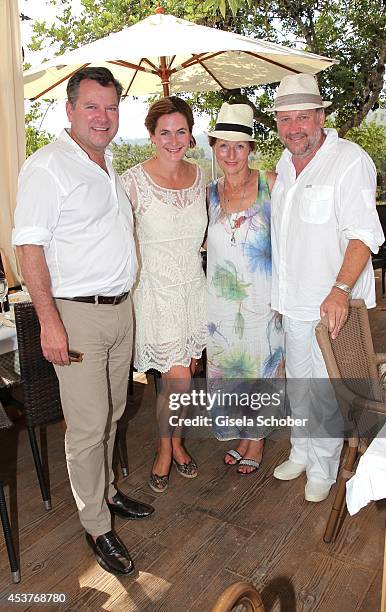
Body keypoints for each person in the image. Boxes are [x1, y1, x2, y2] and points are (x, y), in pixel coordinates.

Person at [13, 67, 154, 576]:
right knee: (89, 426)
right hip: (76, 316)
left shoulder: (105, 165)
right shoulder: (48, 166)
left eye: (111, 107)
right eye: (92, 106)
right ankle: (96, 524)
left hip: (120, 310)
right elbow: (28, 247)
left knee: (115, 411)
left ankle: (109, 494)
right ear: (69, 109)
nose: (103, 116)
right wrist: (50, 322)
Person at [269, 73, 384, 501]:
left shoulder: (348, 159)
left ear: (321, 116)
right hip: (293, 300)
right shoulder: (283, 164)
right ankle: (302, 451)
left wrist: (339, 289)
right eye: (285, 119)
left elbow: (364, 234)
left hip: (332, 302)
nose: (294, 128)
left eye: (303, 117)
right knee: (298, 383)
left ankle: (323, 467)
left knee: (326, 389)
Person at [121, 97, 207, 493]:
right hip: (156, 293)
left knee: (184, 376)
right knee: (177, 380)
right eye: (165, 132)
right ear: (151, 136)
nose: (174, 139)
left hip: (194, 291)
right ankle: (165, 449)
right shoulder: (131, 183)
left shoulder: (203, 175)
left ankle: (174, 443)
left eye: (181, 131)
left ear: (190, 134)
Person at [206, 103, 284, 474]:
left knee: (260, 369)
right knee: (233, 372)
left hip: (263, 300)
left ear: (251, 149)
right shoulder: (208, 195)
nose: (231, 154)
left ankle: (257, 440)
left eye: (239, 146)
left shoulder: (271, 183)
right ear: (214, 148)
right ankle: (243, 433)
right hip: (222, 307)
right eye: (224, 145)